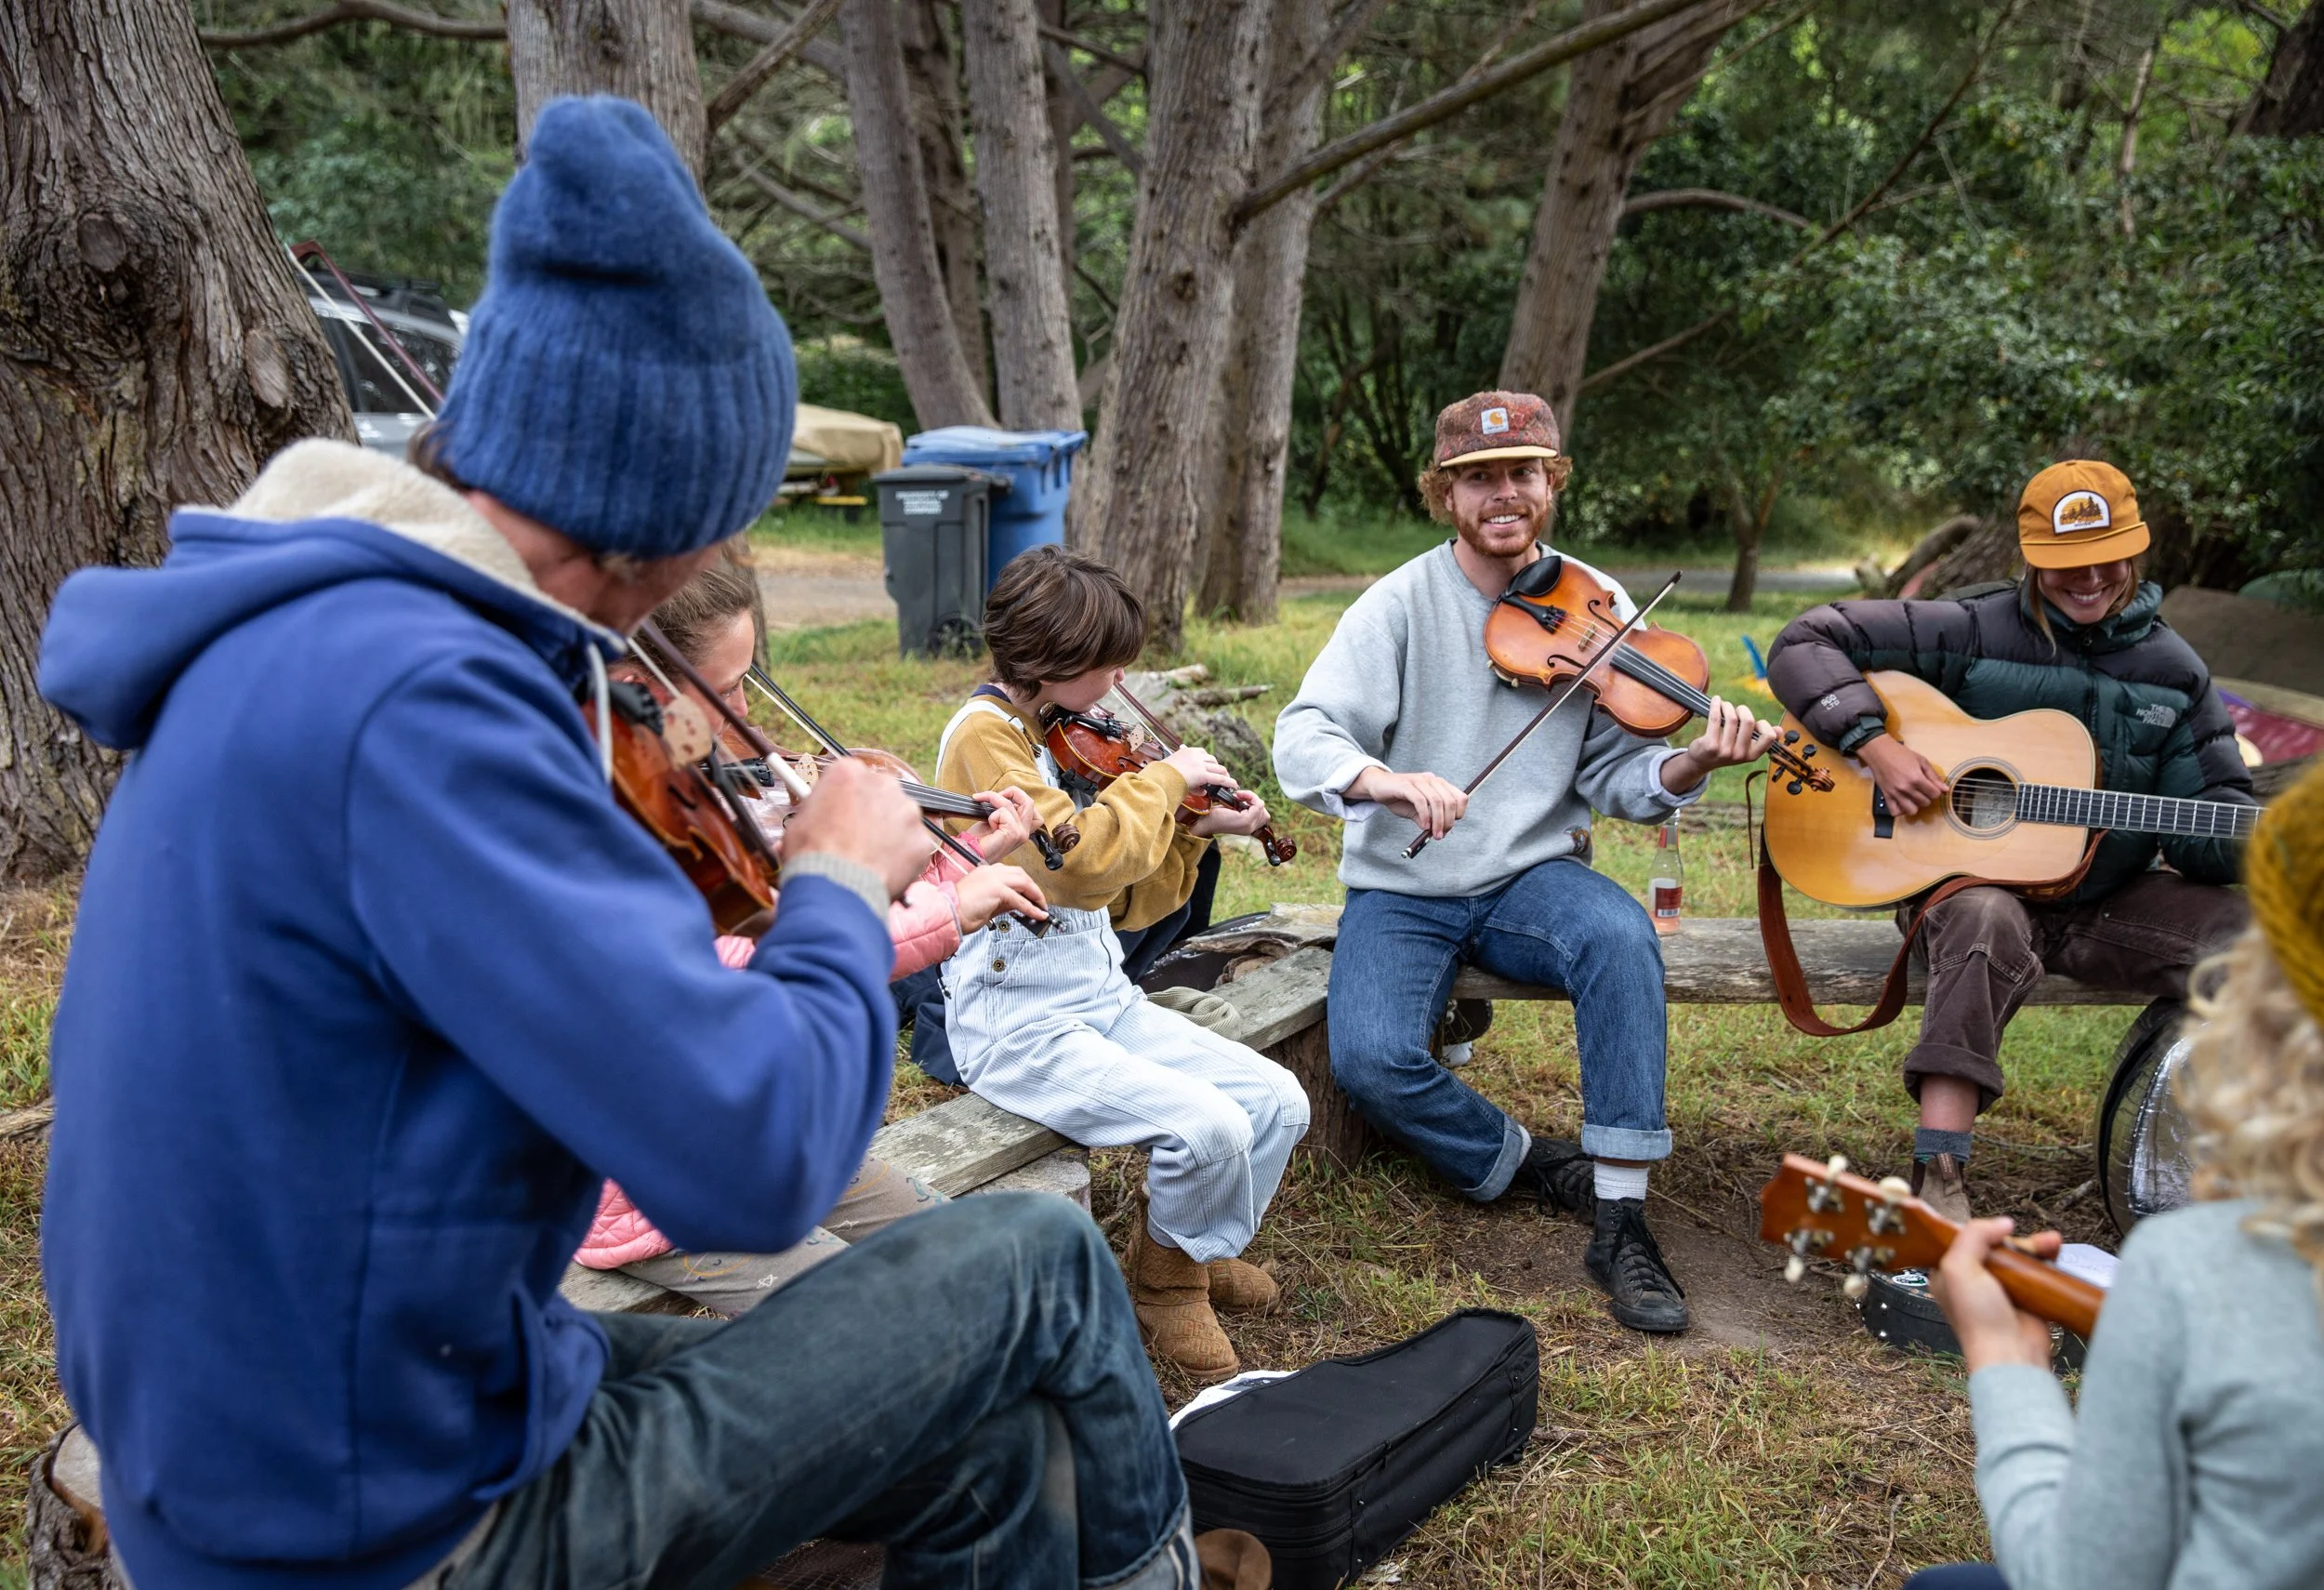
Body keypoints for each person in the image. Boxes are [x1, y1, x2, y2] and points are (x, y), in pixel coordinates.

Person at [37, 98, 1203, 1590]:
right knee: (1033, 1259)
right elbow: (756, 1161)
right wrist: (835, 884)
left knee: (997, 1446)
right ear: (668, 524)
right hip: (369, 1523)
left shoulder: (310, 643)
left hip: (321, 1413)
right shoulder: (429, 712)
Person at [1272, 391, 1779, 1335]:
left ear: (1551, 484)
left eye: (1523, 473)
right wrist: (1384, 781)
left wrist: (1694, 762)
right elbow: (1303, 736)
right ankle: (1526, 1161)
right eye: (1479, 479)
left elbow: (1617, 776)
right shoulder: (1399, 603)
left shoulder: (1599, 604)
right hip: (1403, 886)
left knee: (1618, 936)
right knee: (1371, 1060)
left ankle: (1621, 1216)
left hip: (1531, 878)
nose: (1504, 493)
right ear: (1445, 494)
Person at [1766, 460, 2252, 1220]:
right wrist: (1875, 745)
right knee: (1985, 919)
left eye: (2107, 558)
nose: (2089, 579)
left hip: (2106, 902)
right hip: (1969, 889)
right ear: (2030, 557)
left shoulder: (2175, 674)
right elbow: (1806, 640)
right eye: (2066, 563)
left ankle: (2225, 1175)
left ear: (2137, 550)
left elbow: (2207, 829)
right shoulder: (1968, 628)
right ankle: (1940, 1182)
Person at [577, 561, 1052, 1314]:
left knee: (978, 1257)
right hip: (657, 1182)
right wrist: (952, 908)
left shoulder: (691, 789)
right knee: (874, 1320)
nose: (746, 718)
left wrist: (966, 854)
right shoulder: (603, 827)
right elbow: (766, 961)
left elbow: (826, 910)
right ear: (637, 685)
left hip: (765, 1136)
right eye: (726, 689)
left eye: (749, 683)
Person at [1904, 761, 2324, 1590]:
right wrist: (1864, 731)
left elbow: (2082, 1573)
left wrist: (2006, 1361)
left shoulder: (2204, 1268)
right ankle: (1940, 1162)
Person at [931, 547, 1312, 1383]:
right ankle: (1166, 1291)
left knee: (1277, 1102)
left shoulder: (1051, 733)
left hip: (1101, 1000)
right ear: (1051, 659)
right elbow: (1080, 864)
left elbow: (1122, 903)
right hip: (1018, 1026)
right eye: (1108, 663)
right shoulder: (985, 740)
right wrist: (1167, 781)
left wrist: (1193, 832)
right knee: (1207, 1128)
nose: (1121, 680)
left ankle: (1182, 1252)